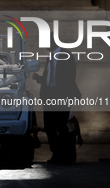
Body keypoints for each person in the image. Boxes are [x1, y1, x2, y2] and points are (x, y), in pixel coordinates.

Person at [32, 32, 81, 164]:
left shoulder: (66, 55)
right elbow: (50, 79)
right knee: (50, 127)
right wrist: (39, 79)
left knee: (61, 126)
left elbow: (69, 77)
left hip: (61, 96)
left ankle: (64, 155)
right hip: (48, 96)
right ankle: (57, 154)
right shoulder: (50, 57)